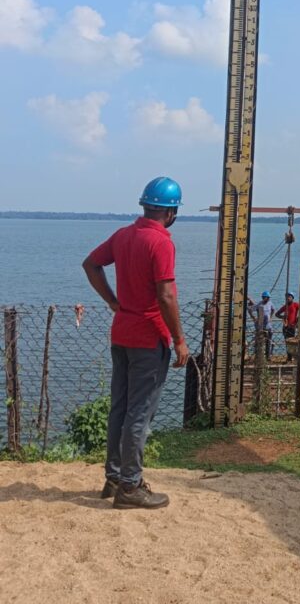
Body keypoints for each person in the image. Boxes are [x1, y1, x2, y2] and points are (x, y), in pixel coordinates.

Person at [81, 176, 188, 510]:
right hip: (147, 337)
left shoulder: (123, 236)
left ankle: (114, 478)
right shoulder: (161, 243)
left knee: (120, 408)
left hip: (122, 332)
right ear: (171, 213)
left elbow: (91, 264)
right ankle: (130, 487)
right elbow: (166, 295)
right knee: (140, 414)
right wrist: (180, 340)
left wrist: (113, 301)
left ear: (145, 205)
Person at [251, 291, 276, 359]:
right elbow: (251, 309)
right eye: (265, 297)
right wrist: (254, 318)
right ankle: (258, 356)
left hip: (268, 326)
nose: (267, 299)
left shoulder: (270, 303)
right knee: (259, 341)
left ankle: (268, 356)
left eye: (268, 298)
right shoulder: (259, 304)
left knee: (269, 341)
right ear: (263, 297)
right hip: (260, 327)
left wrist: (270, 317)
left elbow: (273, 310)